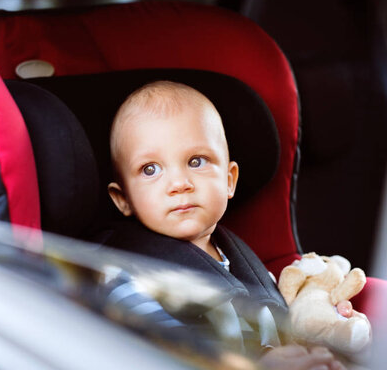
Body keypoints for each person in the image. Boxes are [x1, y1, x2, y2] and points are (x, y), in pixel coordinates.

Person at [101, 80, 349, 369]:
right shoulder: (131, 279)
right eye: (150, 169)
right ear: (123, 199)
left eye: (196, 161)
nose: (179, 184)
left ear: (229, 180)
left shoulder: (244, 262)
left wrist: (324, 327)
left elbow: (279, 331)